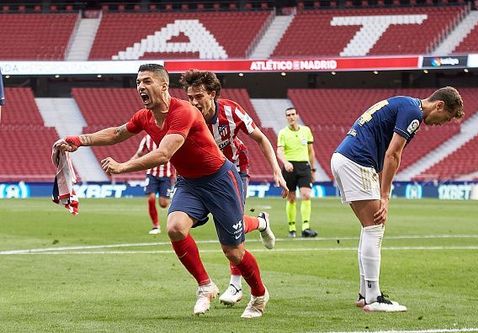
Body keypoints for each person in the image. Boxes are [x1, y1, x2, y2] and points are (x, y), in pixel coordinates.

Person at [55, 64, 288, 318]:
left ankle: (259, 294)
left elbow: (164, 153)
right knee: (175, 228)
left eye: (146, 81)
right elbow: (118, 133)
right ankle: (205, 286)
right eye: (137, 83)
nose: (140, 87)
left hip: (221, 179)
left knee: (233, 251)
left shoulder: (183, 112)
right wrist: (78, 140)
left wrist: (123, 167)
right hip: (190, 183)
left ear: (163, 86)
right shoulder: (145, 116)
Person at [331, 87, 464, 312]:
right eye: (446, 118)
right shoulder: (413, 113)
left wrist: (384, 193)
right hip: (357, 161)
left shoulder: (405, 104)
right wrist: (385, 196)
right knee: (375, 227)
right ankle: (373, 297)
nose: (443, 123)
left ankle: (365, 294)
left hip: (346, 158)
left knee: (370, 227)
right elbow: (393, 154)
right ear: (439, 105)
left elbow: (385, 156)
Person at [179, 69, 288, 306]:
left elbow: (260, 138)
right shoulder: (185, 115)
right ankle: (261, 222)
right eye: (190, 98)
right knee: (206, 223)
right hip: (203, 176)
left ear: (213, 93)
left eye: (199, 96)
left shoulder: (231, 110)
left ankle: (236, 285)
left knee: (233, 225)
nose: (194, 102)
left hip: (235, 170)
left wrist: (276, 170)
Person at [277, 107, 318, 238]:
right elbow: (279, 151)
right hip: (290, 167)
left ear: (297, 116)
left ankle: (306, 227)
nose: (291, 117)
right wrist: (286, 162)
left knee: (306, 195)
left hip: (304, 166)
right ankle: (292, 228)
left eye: (293, 114)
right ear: (286, 118)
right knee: (291, 197)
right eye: (288, 115)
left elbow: (311, 151)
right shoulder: (283, 133)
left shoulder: (306, 131)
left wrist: (313, 169)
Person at [131, 134, 176, 235]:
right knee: (151, 198)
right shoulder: (147, 138)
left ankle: (177, 206)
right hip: (151, 174)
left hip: (166, 175)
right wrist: (125, 165)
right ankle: (155, 226)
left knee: (163, 204)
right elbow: (139, 154)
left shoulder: (170, 136)